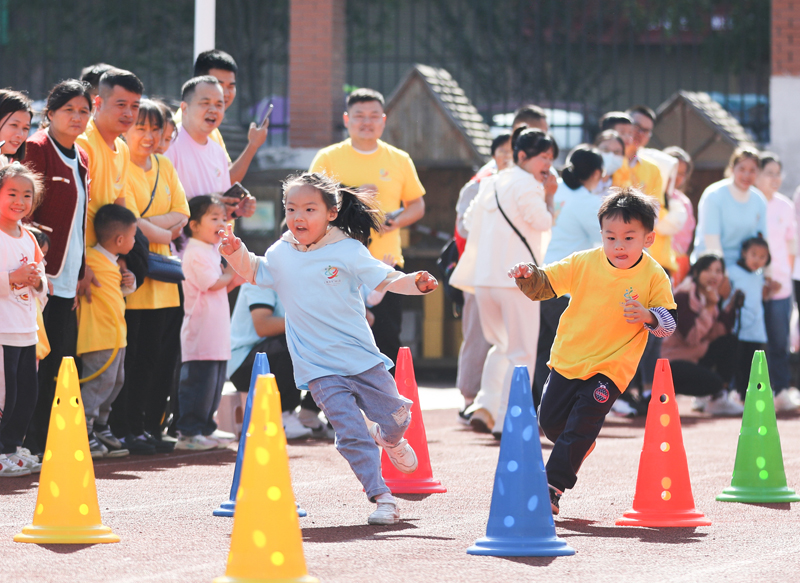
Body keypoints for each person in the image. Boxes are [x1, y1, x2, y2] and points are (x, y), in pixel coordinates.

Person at [219, 172, 438, 526]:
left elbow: (385, 278)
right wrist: (235, 252)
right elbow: (257, 272)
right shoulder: (280, 252)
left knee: (399, 417)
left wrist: (416, 283)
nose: (298, 217)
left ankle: (389, 437)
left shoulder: (348, 250)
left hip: (361, 358)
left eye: (309, 208)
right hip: (318, 365)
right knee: (350, 432)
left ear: (331, 213)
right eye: (291, 209)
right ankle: (382, 496)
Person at [510, 187, 676, 514]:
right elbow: (545, 284)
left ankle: (552, 488)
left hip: (612, 368)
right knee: (550, 421)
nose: (619, 245)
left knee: (583, 422)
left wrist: (648, 316)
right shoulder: (584, 262)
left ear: (648, 239)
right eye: (611, 237)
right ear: (600, 234)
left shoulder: (654, 275)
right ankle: (579, 446)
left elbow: (668, 325)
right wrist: (527, 275)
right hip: (569, 358)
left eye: (629, 238)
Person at [450, 127, 557, 436]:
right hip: (518, 280)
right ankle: (505, 418)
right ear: (523, 156)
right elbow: (543, 221)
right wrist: (549, 196)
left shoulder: (492, 182)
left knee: (502, 346)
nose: (548, 164)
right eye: (544, 157)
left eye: (550, 157)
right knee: (521, 351)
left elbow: (468, 223)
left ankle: (485, 406)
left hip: (486, 278)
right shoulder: (529, 185)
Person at [310, 88, 426, 368]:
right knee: (337, 338)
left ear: (383, 120)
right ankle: (329, 407)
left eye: (374, 116)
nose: (367, 122)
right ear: (347, 119)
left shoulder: (399, 159)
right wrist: (354, 193)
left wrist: (394, 222)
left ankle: (389, 409)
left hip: (385, 263)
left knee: (387, 338)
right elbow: (309, 202)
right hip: (337, 262)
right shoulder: (328, 157)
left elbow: (417, 205)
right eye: (359, 115)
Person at [110, 100, 189, 453]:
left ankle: (147, 427)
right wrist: (159, 229)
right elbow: (125, 220)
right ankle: (122, 427)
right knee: (129, 358)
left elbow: (183, 216)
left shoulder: (164, 164)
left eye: (155, 128)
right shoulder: (117, 162)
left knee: (156, 360)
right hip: (132, 275)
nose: (148, 135)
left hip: (165, 282)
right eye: (140, 127)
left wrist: (147, 228)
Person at [22, 79, 93, 456]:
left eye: (83, 111)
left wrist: (81, 271)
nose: (77, 117)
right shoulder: (36, 149)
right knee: (36, 362)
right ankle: (27, 443)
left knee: (62, 361)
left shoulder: (81, 156)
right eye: (69, 109)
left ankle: (52, 441)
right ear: (49, 113)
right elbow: (22, 208)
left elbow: (80, 218)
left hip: (68, 279)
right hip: (38, 276)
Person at [533, 145, 605, 406]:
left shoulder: (557, 191)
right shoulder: (589, 202)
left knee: (543, 349)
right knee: (569, 349)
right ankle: (562, 406)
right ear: (597, 173)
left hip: (539, 277)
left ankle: (546, 405)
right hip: (565, 284)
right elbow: (607, 241)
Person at [453, 133, 512, 422]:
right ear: (493, 154)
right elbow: (463, 230)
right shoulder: (478, 185)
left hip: (512, 274)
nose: (509, 156)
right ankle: (469, 397)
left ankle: (498, 401)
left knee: (508, 339)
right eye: (503, 151)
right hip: (479, 271)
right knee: (477, 334)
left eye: (514, 151)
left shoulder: (525, 184)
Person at [176, 195, 243, 450]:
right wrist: (230, 273)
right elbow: (213, 283)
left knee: (213, 382)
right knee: (198, 382)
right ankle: (189, 431)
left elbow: (218, 288)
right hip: (201, 330)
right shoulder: (195, 251)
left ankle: (205, 427)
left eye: (223, 218)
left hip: (215, 330)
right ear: (194, 225)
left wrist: (233, 277)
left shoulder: (210, 250)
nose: (221, 223)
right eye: (214, 218)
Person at [228, 283, 328, 440]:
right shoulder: (259, 279)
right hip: (243, 364)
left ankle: (307, 412)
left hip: (265, 354)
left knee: (323, 340)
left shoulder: (297, 278)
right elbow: (263, 326)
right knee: (296, 339)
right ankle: (283, 413)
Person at [77, 204, 137, 458]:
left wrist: (130, 282)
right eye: (134, 236)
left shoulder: (112, 262)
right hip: (97, 336)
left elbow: (117, 293)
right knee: (98, 383)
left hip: (115, 337)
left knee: (115, 381)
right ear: (120, 239)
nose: (135, 241)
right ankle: (84, 430)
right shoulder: (90, 259)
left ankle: (100, 425)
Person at [0, 163, 47, 477]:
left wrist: (36, 281)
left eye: (26, 195)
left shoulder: (29, 237)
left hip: (26, 330)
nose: (19, 200)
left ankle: (13, 447)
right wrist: (12, 278)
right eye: (11, 193)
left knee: (26, 395)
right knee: (6, 394)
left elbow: (42, 280)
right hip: (2, 329)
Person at [661, 253, 744, 416]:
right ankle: (710, 393)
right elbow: (692, 337)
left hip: (694, 357)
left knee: (730, 342)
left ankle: (718, 399)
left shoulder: (710, 296)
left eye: (718, 271)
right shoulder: (683, 296)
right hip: (671, 362)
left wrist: (730, 308)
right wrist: (708, 309)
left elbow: (714, 336)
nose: (714, 275)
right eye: (708, 270)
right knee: (714, 382)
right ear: (696, 272)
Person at [76, 67, 143, 249]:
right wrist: (83, 263)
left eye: (135, 106)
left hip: (106, 258)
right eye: (121, 105)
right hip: (79, 258)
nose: (129, 114)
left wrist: (120, 258)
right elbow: (71, 211)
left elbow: (120, 209)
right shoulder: (82, 143)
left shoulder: (122, 148)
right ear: (97, 103)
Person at [755, 152, 800, 411]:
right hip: (754, 283)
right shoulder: (751, 202)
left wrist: (782, 274)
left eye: (777, 173)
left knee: (779, 340)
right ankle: (746, 392)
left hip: (781, 284)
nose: (774, 178)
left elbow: (791, 245)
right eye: (768, 172)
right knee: (750, 340)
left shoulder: (785, 205)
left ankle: (781, 390)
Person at [189, 49, 268, 185]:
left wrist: (253, 145)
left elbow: (227, 179)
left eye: (231, 86)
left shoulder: (213, 129)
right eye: (219, 85)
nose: (225, 93)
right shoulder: (180, 129)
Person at [692, 147, 767, 267]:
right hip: (711, 267)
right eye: (742, 169)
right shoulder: (714, 195)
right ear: (732, 169)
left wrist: (768, 274)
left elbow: (762, 240)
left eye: (752, 170)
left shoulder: (759, 200)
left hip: (745, 268)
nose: (747, 175)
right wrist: (723, 274)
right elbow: (712, 241)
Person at [728, 237, 771, 401]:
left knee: (755, 365)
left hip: (756, 330)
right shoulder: (732, 272)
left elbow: (763, 297)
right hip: (738, 329)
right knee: (738, 363)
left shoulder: (761, 276)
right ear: (744, 253)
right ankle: (736, 394)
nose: (757, 260)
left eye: (762, 257)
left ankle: (752, 397)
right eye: (754, 254)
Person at [663, 146, 696, 285]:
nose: (677, 177)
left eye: (682, 174)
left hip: (675, 265)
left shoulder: (684, 203)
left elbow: (686, 239)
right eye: (674, 171)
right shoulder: (648, 194)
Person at [593, 130, 625, 197]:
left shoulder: (620, 190)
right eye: (605, 150)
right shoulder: (580, 183)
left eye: (616, 152)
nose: (611, 156)